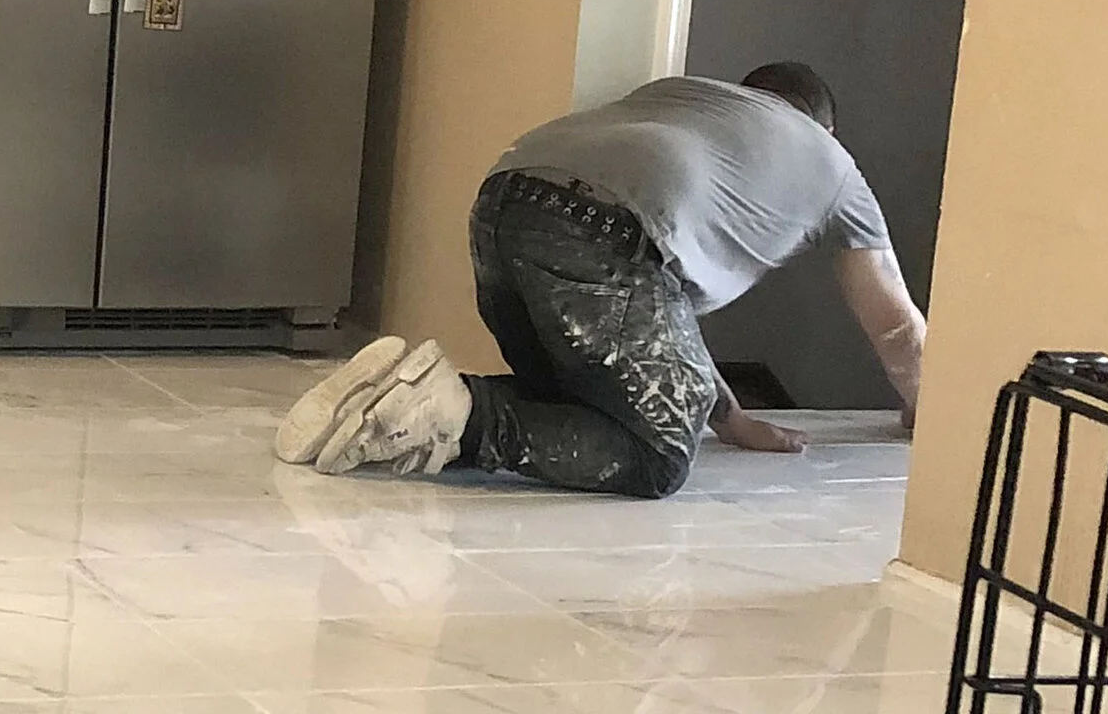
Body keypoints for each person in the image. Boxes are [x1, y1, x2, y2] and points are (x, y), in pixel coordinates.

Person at [275, 63, 929, 493]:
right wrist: (931, 410)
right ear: (828, 127)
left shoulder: (687, 97)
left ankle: (388, 397)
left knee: (581, 399)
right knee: (660, 454)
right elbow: (897, 326)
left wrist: (726, 416)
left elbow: (660, 316)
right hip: (605, 231)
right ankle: (458, 413)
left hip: (504, 202)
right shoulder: (834, 165)